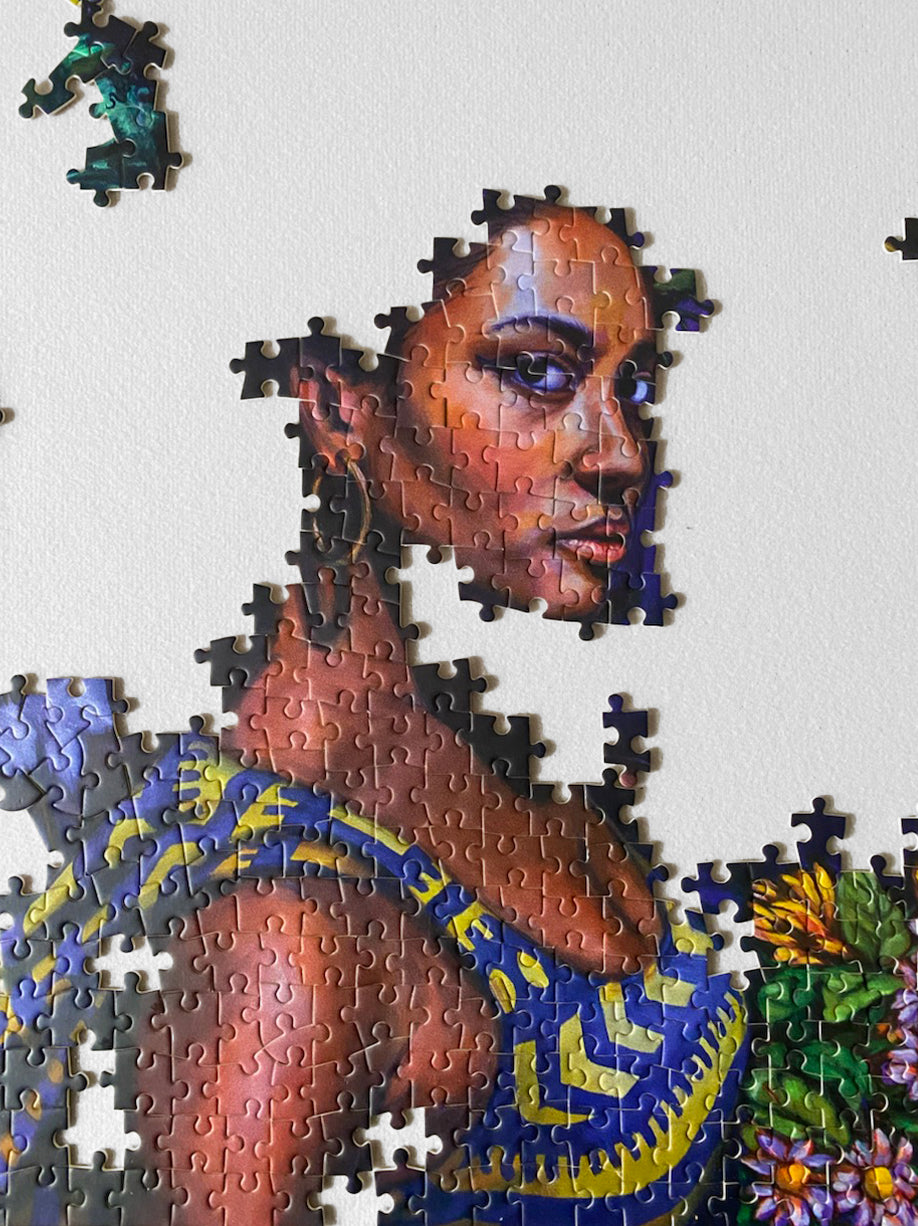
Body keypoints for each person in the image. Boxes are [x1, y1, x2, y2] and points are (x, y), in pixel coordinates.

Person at [0, 187, 746, 1226]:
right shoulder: (283, 947)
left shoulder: (526, 748)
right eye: (537, 371)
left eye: (633, 384)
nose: (619, 449)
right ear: (338, 405)